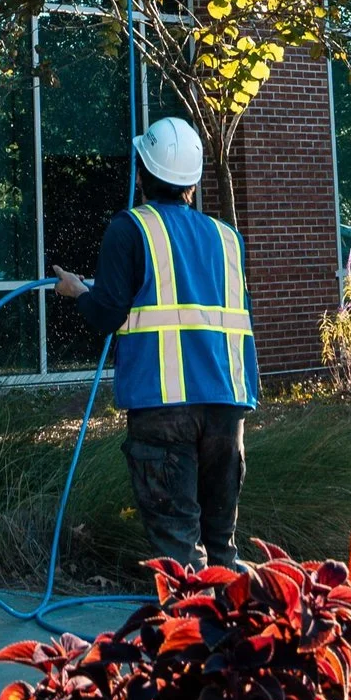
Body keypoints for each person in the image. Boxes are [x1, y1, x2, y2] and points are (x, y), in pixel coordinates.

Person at [52, 114, 260, 573]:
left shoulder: (130, 228)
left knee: (181, 555)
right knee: (220, 549)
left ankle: (191, 638)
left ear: (141, 173)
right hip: (227, 407)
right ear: (193, 180)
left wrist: (77, 291)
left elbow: (107, 314)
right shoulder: (228, 239)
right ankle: (238, 638)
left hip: (163, 408)